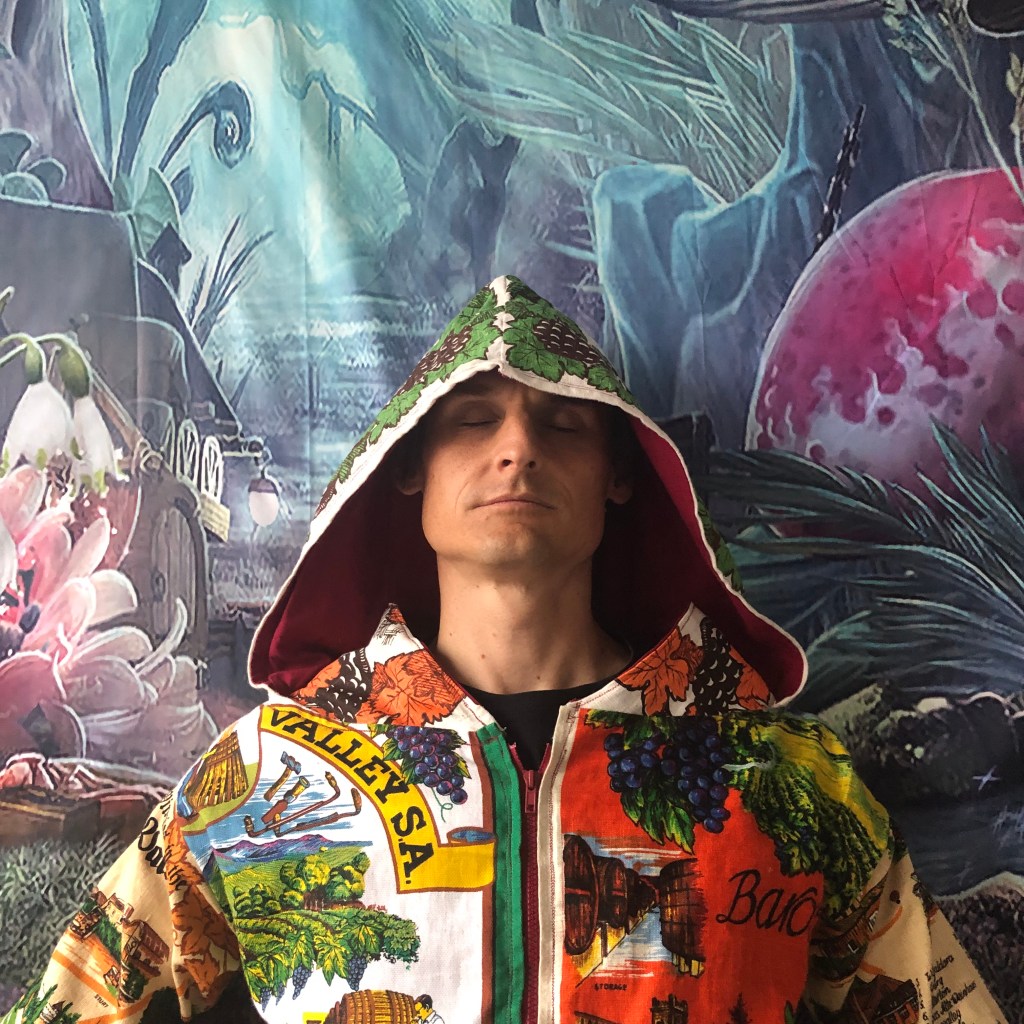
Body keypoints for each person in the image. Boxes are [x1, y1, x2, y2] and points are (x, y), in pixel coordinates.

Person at [3, 276, 1007, 1024]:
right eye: (474, 421)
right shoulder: (268, 775)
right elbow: (77, 999)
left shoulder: (783, 778)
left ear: (621, 475)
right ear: (406, 471)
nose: (517, 448)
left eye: (562, 425)